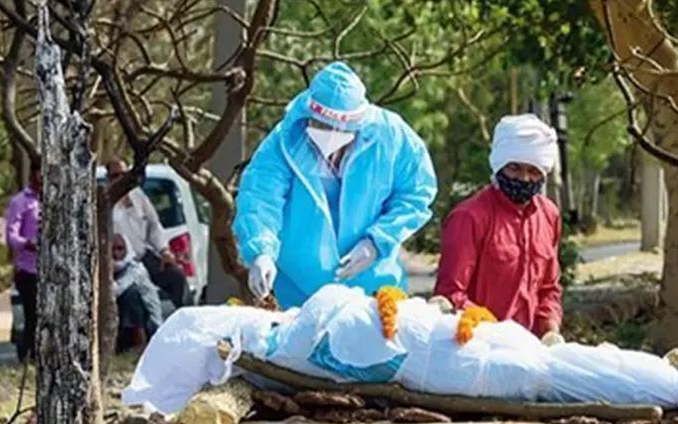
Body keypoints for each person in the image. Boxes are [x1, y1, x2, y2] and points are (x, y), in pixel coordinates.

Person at [234, 61, 437, 308]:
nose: (329, 134)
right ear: (309, 115)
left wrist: (377, 242)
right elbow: (260, 198)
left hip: (373, 286)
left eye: (340, 128)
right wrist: (261, 251)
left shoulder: (391, 137)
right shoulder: (285, 141)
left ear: (358, 123)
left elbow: (416, 192)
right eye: (320, 124)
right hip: (300, 290)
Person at [434, 114, 563, 340]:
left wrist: (550, 329)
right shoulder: (469, 217)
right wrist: (495, 331)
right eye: (515, 168)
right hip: (480, 347)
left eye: (533, 171)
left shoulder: (548, 216)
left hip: (533, 350)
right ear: (499, 165)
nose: (524, 178)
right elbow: (451, 294)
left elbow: (549, 288)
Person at [107, 160, 189, 310]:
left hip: (142, 256)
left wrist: (164, 250)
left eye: (124, 175)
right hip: (118, 263)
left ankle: (178, 318)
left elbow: (153, 225)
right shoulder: (105, 201)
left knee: (176, 277)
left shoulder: (137, 196)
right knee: (133, 295)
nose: (120, 179)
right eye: (115, 176)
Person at [5, 167, 42, 364]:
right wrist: (27, 243)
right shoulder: (20, 202)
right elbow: (12, 235)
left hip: (52, 269)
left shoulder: (55, 199)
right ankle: (29, 356)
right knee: (32, 314)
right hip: (29, 269)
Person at [112, 235, 164, 352]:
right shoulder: (114, 270)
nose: (115, 254)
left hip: (150, 323)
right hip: (121, 323)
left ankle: (140, 341)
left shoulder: (135, 269)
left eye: (120, 249)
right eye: (112, 250)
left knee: (131, 294)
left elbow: (117, 290)